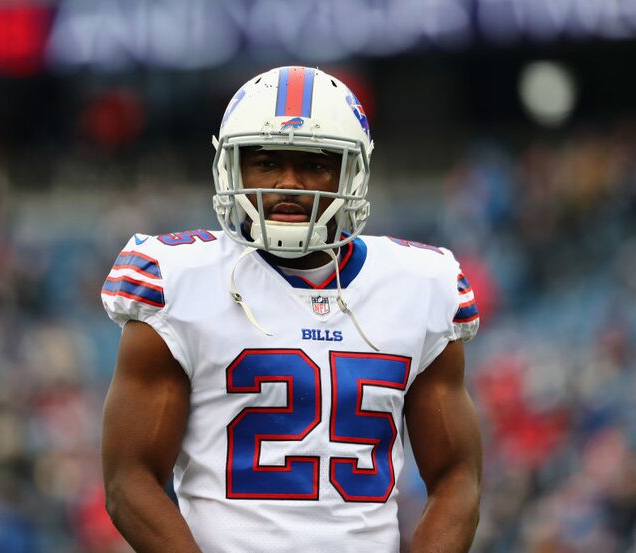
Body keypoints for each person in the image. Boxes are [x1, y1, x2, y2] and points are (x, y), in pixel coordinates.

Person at [100, 66, 482, 553]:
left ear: (353, 171)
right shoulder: (177, 279)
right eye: (265, 162)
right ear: (231, 167)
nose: (288, 183)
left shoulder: (420, 285)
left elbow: (456, 479)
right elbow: (128, 482)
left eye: (315, 164)